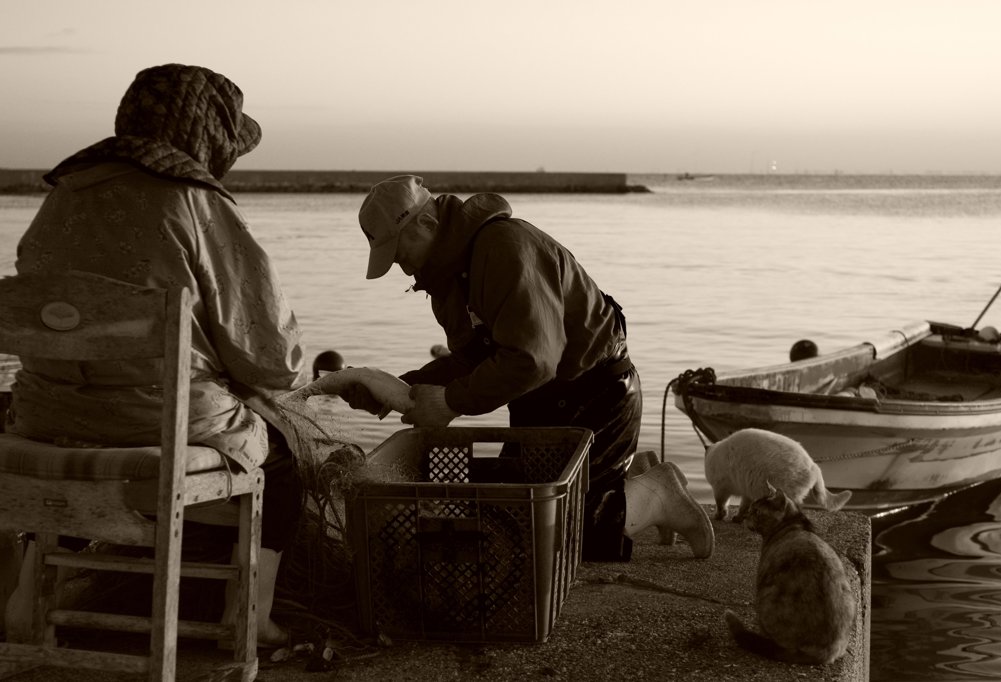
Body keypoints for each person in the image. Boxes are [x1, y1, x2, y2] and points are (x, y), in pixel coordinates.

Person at [5, 64, 303, 646]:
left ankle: (24, 602)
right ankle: (248, 617)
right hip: (163, 427)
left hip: (45, 422)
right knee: (283, 463)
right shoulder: (195, 204)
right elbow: (272, 360)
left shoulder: (58, 200)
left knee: (80, 433)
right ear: (209, 138)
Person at [344, 175, 714, 562]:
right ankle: (621, 476)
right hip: (538, 396)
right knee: (513, 525)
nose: (403, 271)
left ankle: (657, 491)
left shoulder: (503, 246)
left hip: (598, 390)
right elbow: (473, 363)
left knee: (573, 539)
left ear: (427, 224)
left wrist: (450, 403)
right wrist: (401, 388)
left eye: (401, 254)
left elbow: (534, 360)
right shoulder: (443, 281)